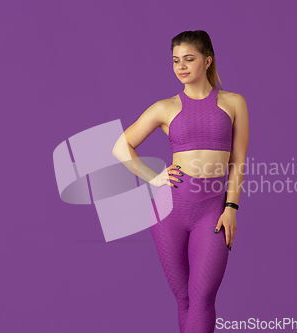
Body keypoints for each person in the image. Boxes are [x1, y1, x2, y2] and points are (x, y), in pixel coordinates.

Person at [112, 30, 249, 332]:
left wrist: (231, 207)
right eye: (176, 60)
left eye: (189, 59)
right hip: (169, 210)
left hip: (213, 209)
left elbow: (238, 161)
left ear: (207, 60)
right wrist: (155, 177)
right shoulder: (165, 107)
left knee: (202, 297)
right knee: (184, 299)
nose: (181, 66)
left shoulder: (233, 102)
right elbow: (121, 146)